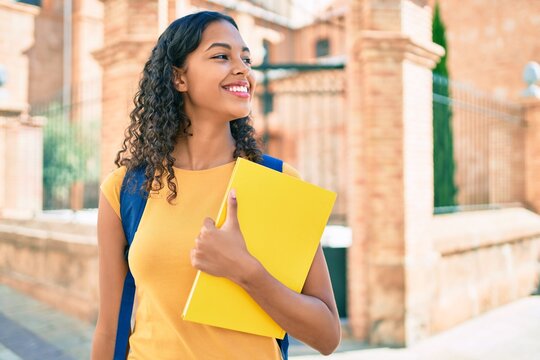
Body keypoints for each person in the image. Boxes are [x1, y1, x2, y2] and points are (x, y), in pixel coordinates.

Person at [91, 10, 341, 360]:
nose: (242, 68)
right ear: (179, 77)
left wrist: (245, 271)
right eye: (222, 56)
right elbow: (109, 329)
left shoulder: (277, 181)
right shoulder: (125, 190)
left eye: (247, 58)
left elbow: (327, 336)